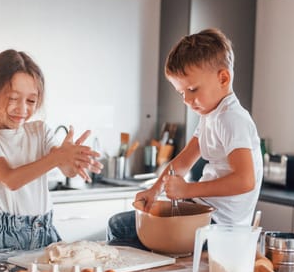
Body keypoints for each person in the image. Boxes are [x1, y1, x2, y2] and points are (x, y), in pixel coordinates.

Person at [107, 28, 262, 248]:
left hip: (221, 227)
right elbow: (181, 163)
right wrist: (154, 190)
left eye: (192, 89)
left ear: (223, 78)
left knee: (120, 227)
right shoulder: (210, 116)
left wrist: (188, 190)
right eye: (182, 93)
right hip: (203, 214)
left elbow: (245, 180)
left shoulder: (231, 118)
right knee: (127, 227)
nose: (187, 100)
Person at [0, 49, 102, 256]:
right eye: (13, 98)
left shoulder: (39, 130)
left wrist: (74, 160)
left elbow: (66, 169)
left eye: (31, 101)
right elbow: (10, 179)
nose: (22, 108)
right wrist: (58, 156)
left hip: (46, 233)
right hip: (6, 239)